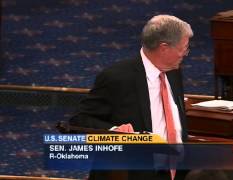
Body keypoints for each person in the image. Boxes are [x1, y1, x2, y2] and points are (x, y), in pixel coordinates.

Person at [69, 14, 193, 180]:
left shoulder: (173, 70)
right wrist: (114, 131)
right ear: (164, 48)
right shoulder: (117, 78)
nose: (185, 53)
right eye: (183, 48)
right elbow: (79, 120)